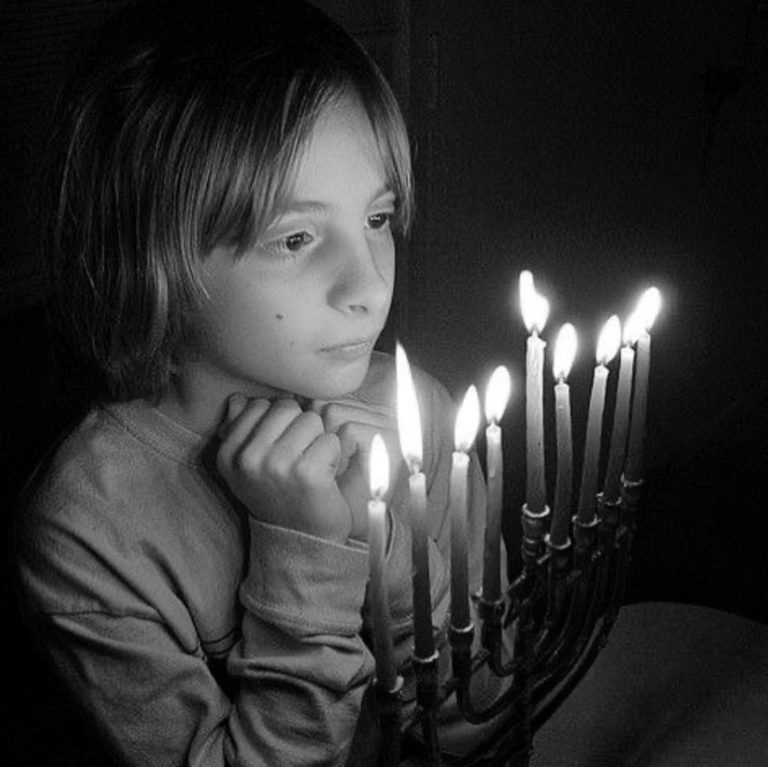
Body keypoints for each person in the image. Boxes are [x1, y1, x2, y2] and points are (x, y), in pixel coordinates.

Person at [13, 1, 509, 764]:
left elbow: (491, 721)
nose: (370, 286)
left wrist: (392, 528)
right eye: (296, 237)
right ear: (153, 255)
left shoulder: (419, 419)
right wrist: (306, 549)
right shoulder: (89, 532)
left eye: (377, 219)